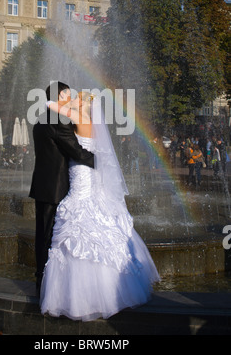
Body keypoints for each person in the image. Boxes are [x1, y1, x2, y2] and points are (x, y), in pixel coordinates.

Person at [40, 91, 160, 321]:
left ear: (83, 104)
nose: (72, 100)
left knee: (79, 214)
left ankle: (84, 298)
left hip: (81, 174)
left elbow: (49, 104)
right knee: (88, 215)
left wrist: (64, 100)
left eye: (76, 98)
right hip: (86, 172)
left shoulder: (82, 118)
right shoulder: (90, 121)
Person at [29, 82, 94, 295]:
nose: (71, 97)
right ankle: (46, 283)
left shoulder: (41, 117)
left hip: (43, 184)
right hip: (55, 187)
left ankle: (41, 278)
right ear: (61, 94)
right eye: (68, 93)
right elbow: (75, 151)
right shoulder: (57, 120)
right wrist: (102, 162)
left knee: (43, 233)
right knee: (50, 235)